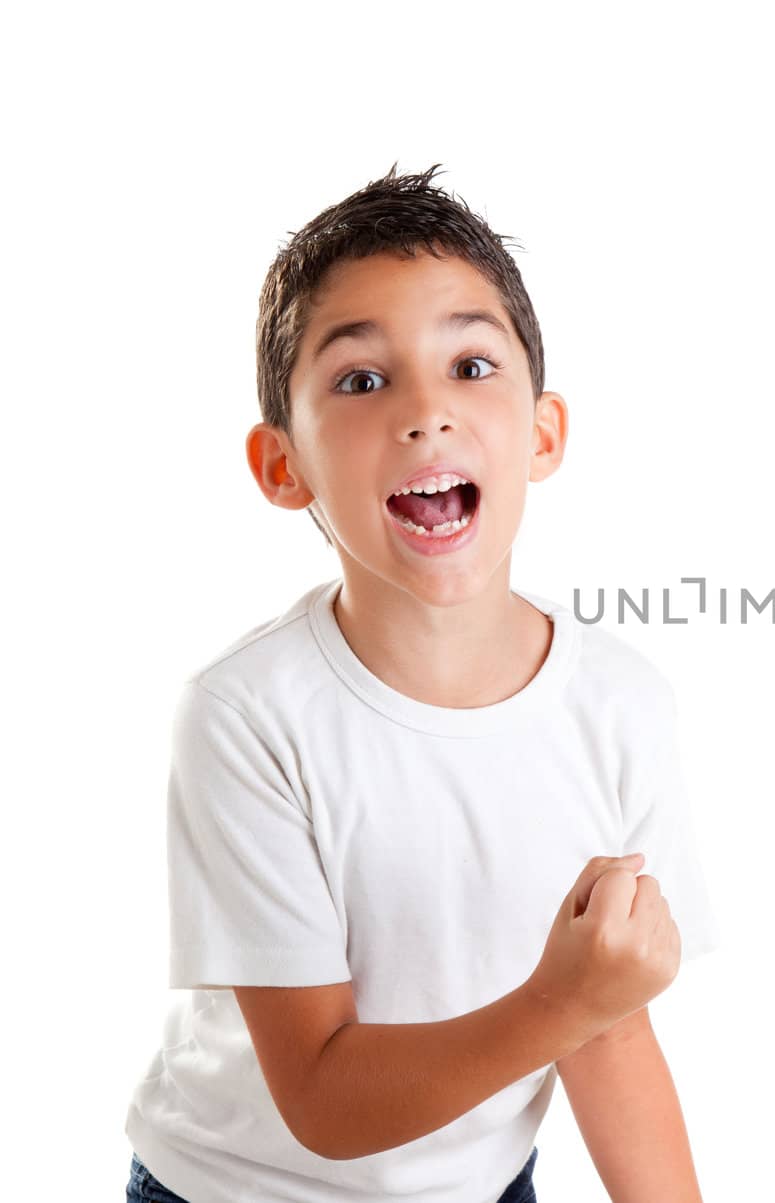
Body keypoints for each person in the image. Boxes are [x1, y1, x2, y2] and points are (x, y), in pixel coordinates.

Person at [123, 164, 715, 1203]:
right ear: (281, 465)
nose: (427, 412)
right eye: (361, 379)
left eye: (471, 364)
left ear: (542, 435)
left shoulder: (620, 707)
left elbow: (608, 1028)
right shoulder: (247, 716)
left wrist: (578, 1006)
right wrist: (561, 1003)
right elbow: (322, 1099)